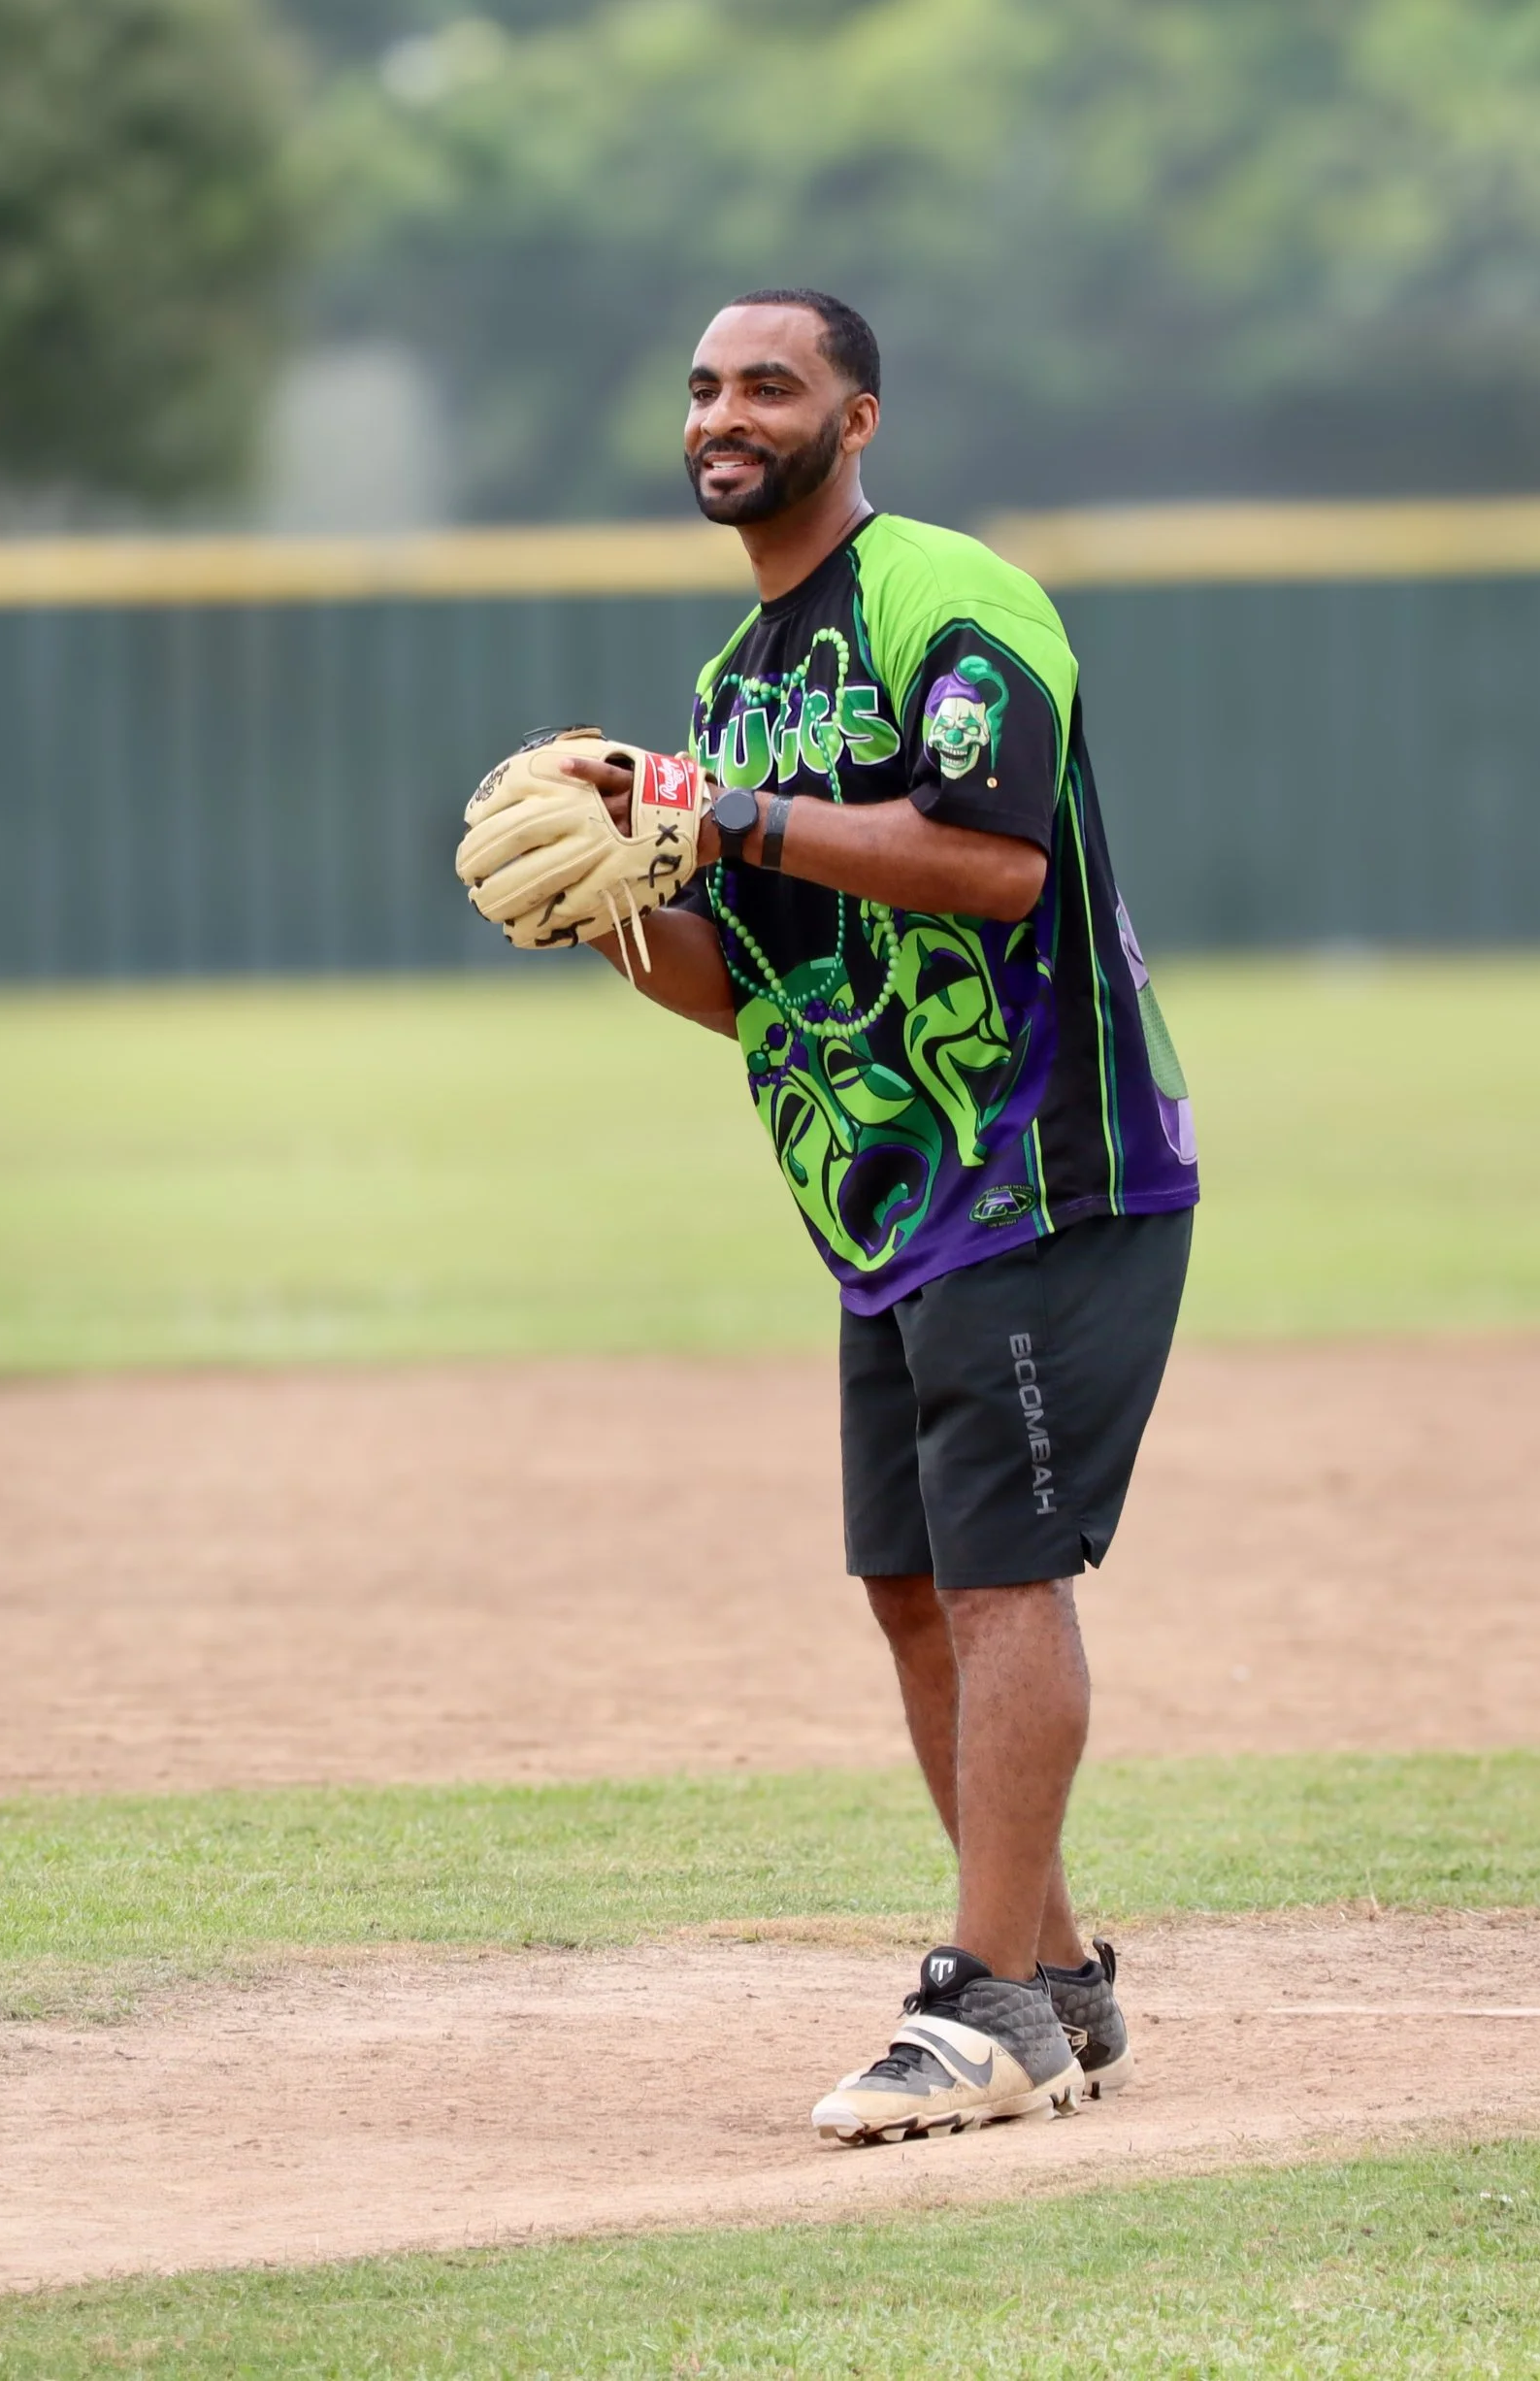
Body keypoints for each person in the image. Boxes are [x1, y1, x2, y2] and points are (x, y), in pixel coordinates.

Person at [564, 287, 1199, 2141]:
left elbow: (994, 867)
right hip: (891, 1197)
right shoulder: (736, 684)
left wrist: (725, 814)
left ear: (856, 421)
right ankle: (1058, 1983)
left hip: (1044, 1165)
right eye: (700, 387)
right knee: (910, 1587)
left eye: (770, 382)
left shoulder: (952, 598)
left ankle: (983, 1999)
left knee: (1003, 1577)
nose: (722, 413)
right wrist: (607, 901)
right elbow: (749, 982)